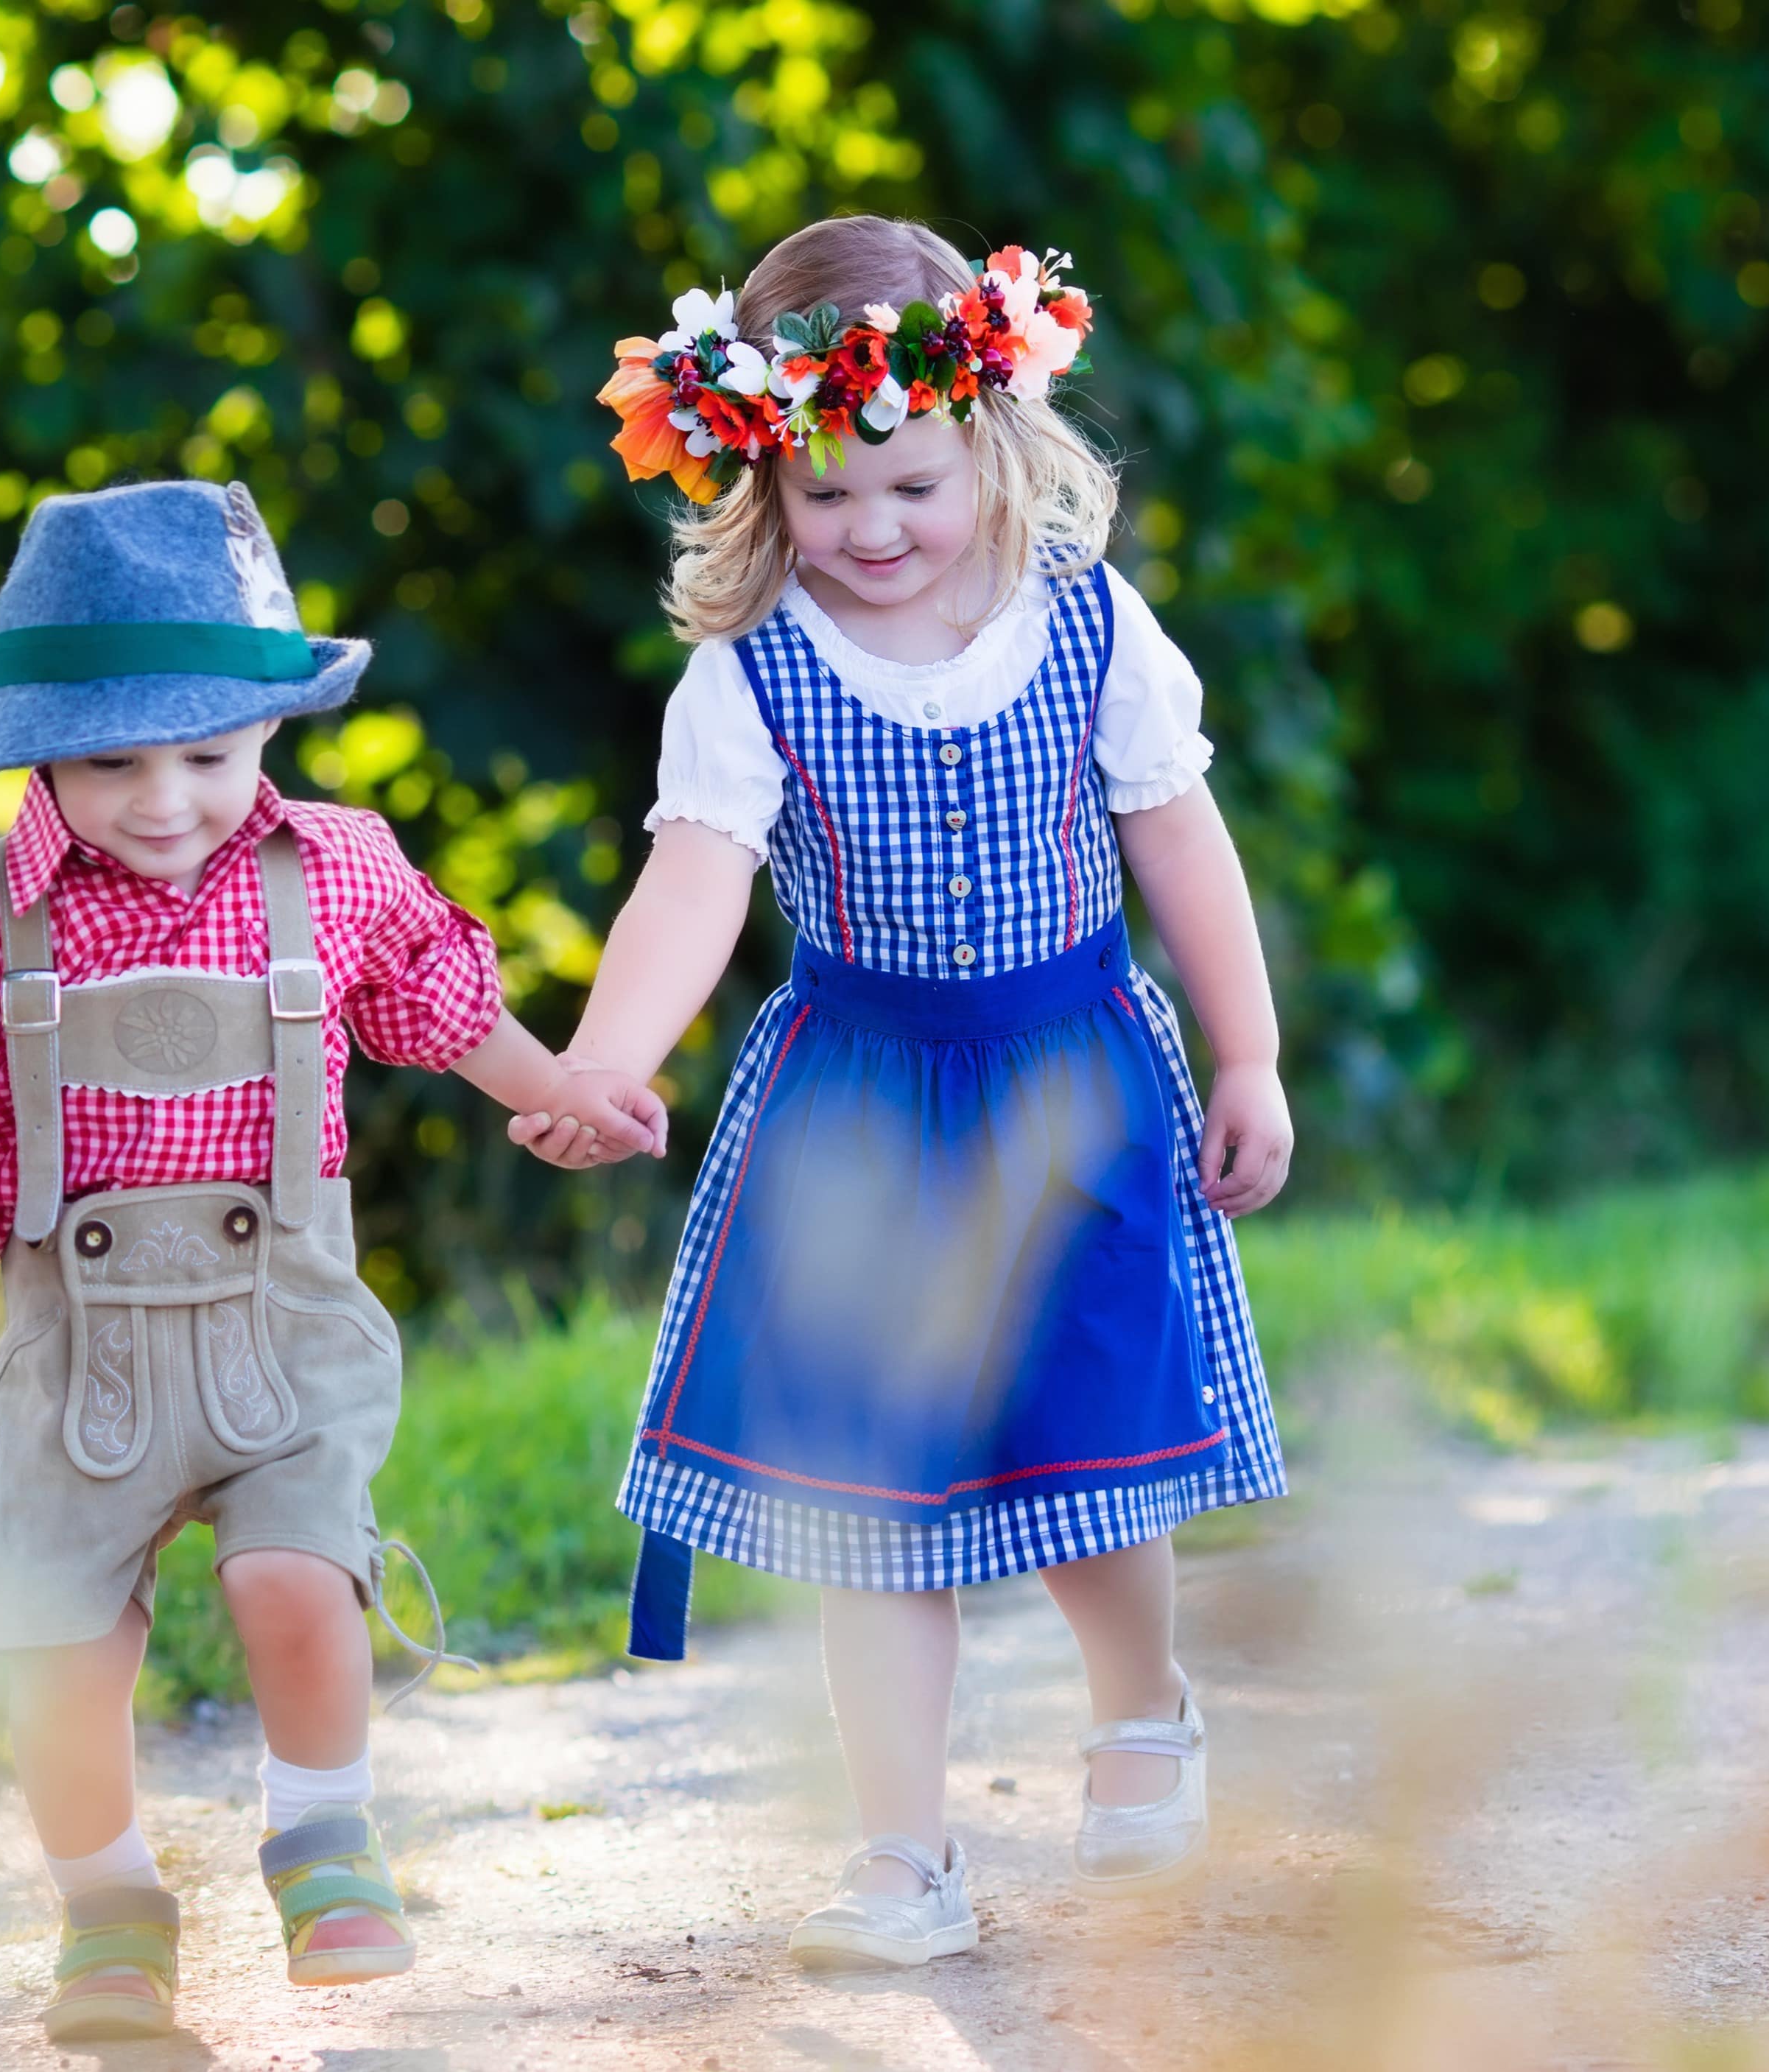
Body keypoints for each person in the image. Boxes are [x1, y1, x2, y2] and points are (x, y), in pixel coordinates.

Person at [0, 479, 663, 2041]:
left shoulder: (333, 868)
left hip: (284, 1320)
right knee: (59, 1649)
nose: (164, 796)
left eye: (205, 752)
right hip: (78, 1347)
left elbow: (437, 1007)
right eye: (111, 760)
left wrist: (565, 1089)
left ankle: (322, 1838)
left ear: (267, 726)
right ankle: (107, 1911)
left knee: (292, 1581)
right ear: (38, 747)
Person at [524, 214, 1293, 1968]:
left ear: (991, 444)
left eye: (911, 489)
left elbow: (1179, 836)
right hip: (856, 1107)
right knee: (869, 1506)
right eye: (823, 498)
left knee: (1090, 1448)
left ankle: (1141, 1715)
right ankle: (900, 1853)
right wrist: (606, 1059)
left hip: (1068, 1089)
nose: (870, 532)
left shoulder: (1092, 628)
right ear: (757, 484)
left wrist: (1244, 1056)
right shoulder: (749, 670)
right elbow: (693, 880)